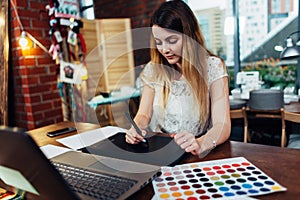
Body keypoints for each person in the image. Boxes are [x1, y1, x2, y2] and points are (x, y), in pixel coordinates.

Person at [125, 0, 231, 157]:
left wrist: (201, 143)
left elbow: (222, 124)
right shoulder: (153, 69)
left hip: (198, 153)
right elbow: (144, 114)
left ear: (189, 36)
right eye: (158, 42)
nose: (164, 49)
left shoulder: (213, 67)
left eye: (172, 41)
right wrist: (137, 127)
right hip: (161, 151)